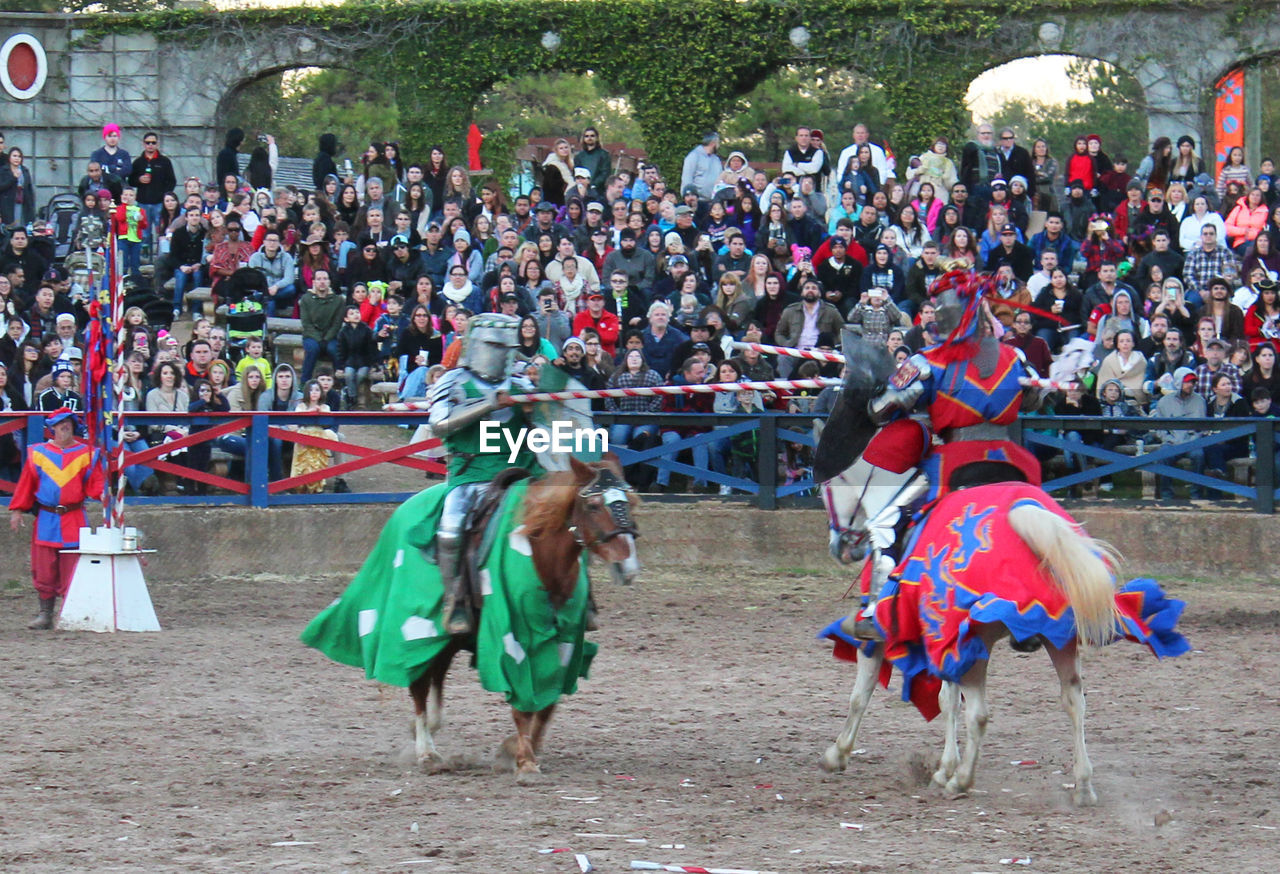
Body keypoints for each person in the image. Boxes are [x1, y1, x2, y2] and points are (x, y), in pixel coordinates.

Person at [426, 313, 538, 633]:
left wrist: (535, 410)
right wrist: (487, 403)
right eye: (496, 347)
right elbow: (439, 423)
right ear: (478, 345)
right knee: (450, 531)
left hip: (516, 473)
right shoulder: (453, 381)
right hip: (470, 475)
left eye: (508, 349)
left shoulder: (521, 383)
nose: (504, 355)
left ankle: (574, 596)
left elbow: (541, 427)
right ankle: (456, 600)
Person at [9, 406, 106, 631]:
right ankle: (45, 613)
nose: (64, 428)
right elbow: (26, 484)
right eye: (60, 425)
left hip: (73, 516)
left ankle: (69, 612)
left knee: (73, 567)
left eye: (68, 424)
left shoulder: (87, 454)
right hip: (47, 517)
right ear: (51, 428)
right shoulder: (39, 453)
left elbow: (96, 484)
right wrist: (17, 511)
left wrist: (103, 495)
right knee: (44, 567)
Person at [1151, 367, 1207, 501]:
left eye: (1192, 382)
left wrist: (1194, 439)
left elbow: (1203, 427)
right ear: (1178, 382)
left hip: (1193, 442)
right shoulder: (1164, 402)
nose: (1190, 385)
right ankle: (1166, 495)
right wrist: (1169, 439)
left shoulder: (1200, 400)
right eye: (1187, 382)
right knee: (1163, 455)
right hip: (1171, 442)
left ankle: (1196, 494)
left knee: (1199, 456)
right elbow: (1159, 428)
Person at [299, 269, 345, 381]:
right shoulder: (306, 299)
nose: (322, 282)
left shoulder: (338, 300)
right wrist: (319, 339)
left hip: (331, 336)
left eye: (325, 279)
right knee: (313, 349)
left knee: (334, 349)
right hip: (311, 336)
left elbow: (337, 323)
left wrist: (326, 338)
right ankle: (305, 382)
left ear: (329, 281)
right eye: (319, 279)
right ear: (314, 282)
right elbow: (306, 323)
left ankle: (342, 383)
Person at [0, 146, 37, 226]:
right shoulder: (3, 170)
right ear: (9, 158)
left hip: (22, 203)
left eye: (19, 156)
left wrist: (31, 207)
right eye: (14, 156)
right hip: (7, 205)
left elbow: (29, 189)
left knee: (22, 225)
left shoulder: (25, 171)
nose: (17, 158)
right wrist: (13, 178)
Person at [681, 132, 723, 201]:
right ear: (713, 143)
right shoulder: (694, 156)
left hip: (713, 200)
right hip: (697, 200)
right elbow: (687, 178)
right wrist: (688, 197)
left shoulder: (716, 159)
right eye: (718, 143)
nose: (719, 146)